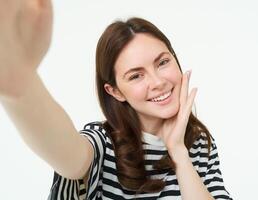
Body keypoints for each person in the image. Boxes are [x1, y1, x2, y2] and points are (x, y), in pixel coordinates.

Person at [0, 1, 232, 199]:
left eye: (162, 62)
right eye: (136, 76)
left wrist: (178, 152)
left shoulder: (199, 144)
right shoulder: (103, 141)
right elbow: (69, 157)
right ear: (115, 91)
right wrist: (20, 83)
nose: (158, 82)